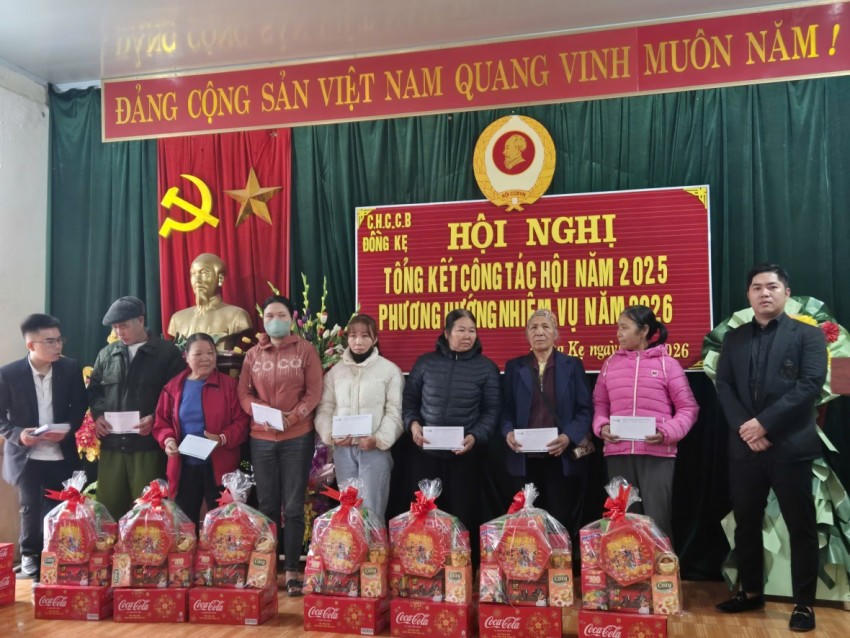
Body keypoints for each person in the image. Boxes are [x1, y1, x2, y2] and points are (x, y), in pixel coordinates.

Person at [714, 264, 826, 632]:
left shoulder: (808, 335)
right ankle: (750, 592)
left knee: (801, 526)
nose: (764, 293)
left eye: (772, 287)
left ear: (786, 293)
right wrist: (747, 430)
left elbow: (810, 384)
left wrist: (764, 424)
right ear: (748, 294)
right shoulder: (734, 338)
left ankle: (804, 604)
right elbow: (724, 386)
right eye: (757, 287)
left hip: (789, 446)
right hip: (745, 447)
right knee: (746, 523)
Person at [238, 295, 323, 596]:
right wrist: (263, 413)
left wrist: (294, 416)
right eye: (270, 315)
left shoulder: (306, 350)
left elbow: (314, 391)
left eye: (281, 315)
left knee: (294, 506)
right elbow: (244, 394)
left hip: (296, 437)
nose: (275, 320)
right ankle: (269, 567)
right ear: (263, 320)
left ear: (291, 319)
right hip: (261, 438)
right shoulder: (252, 355)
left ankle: (292, 571)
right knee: (267, 505)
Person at [592, 305, 698, 541]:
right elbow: (600, 405)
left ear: (644, 331)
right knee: (623, 519)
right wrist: (602, 426)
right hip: (618, 453)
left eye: (624, 327)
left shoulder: (667, 364)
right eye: (618, 327)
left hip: (656, 454)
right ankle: (628, 565)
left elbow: (688, 408)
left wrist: (666, 432)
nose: (618, 333)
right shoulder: (610, 364)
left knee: (656, 519)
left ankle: (662, 564)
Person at [402, 309, 500, 549]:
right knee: (425, 516)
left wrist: (475, 436)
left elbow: (492, 411)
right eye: (461, 330)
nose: (467, 336)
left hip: (465, 455)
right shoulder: (425, 363)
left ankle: (461, 564)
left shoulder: (486, 367)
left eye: (472, 331)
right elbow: (409, 402)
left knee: (462, 515)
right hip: (426, 454)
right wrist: (413, 425)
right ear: (446, 333)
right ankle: (425, 564)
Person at [0, 314, 87, 580]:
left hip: (61, 452)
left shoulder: (70, 368)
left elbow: (80, 406)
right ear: (31, 345)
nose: (57, 346)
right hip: (26, 454)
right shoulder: (9, 374)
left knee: (59, 508)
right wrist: (18, 434)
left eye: (59, 340)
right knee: (29, 508)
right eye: (50, 341)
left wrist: (67, 429)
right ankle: (29, 556)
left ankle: (57, 555)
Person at [89, 296, 185, 520]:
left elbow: (177, 395)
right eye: (115, 327)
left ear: (141, 320)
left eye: (124, 326)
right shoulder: (107, 354)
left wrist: (155, 418)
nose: (119, 332)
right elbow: (94, 391)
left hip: (147, 446)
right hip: (112, 445)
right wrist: (98, 415)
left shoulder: (166, 353)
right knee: (109, 509)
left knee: (148, 512)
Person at [502, 309, 593, 535]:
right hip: (524, 456)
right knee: (527, 521)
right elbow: (505, 410)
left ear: (555, 333)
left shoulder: (572, 365)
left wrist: (568, 436)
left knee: (559, 519)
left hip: (559, 456)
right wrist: (508, 432)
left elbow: (585, 409)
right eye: (533, 327)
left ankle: (560, 557)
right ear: (527, 334)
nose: (539, 332)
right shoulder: (515, 367)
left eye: (545, 327)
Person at [152, 333, 250, 526]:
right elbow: (161, 422)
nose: (206, 358)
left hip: (220, 466)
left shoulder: (229, 386)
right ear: (186, 357)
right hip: (184, 465)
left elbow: (242, 421)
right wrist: (168, 440)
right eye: (198, 354)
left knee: (222, 525)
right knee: (184, 524)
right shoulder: (173, 388)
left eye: (210, 353)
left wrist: (222, 438)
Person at [315, 314, 403, 521]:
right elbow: (325, 409)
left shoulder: (390, 371)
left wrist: (378, 440)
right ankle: (351, 542)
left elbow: (394, 412)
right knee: (348, 509)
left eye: (365, 336)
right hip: (343, 451)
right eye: (353, 336)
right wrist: (331, 435)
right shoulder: (335, 373)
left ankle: (374, 543)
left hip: (375, 450)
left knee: (372, 510)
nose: (358, 341)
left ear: (375, 339)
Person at [167, 253, 253, 351]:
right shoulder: (177, 319)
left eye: (204, 273)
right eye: (193, 274)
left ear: (220, 278)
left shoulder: (237, 316)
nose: (197, 280)